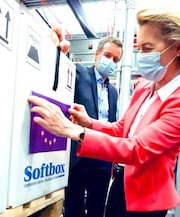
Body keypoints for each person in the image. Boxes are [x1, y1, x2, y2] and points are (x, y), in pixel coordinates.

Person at [29, 6, 180, 217]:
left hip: (146, 199)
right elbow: (122, 129)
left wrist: (73, 130)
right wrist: (89, 122)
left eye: (148, 48)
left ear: (177, 48)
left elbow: (138, 149)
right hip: (121, 184)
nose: (142, 55)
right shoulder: (146, 87)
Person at [64, 36, 122, 217]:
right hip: (79, 155)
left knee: (97, 208)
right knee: (74, 208)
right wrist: (60, 52)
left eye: (116, 59)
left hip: (103, 157)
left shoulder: (113, 91)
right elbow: (62, 67)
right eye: (107, 55)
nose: (111, 62)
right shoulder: (79, 73)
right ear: (97, 55)